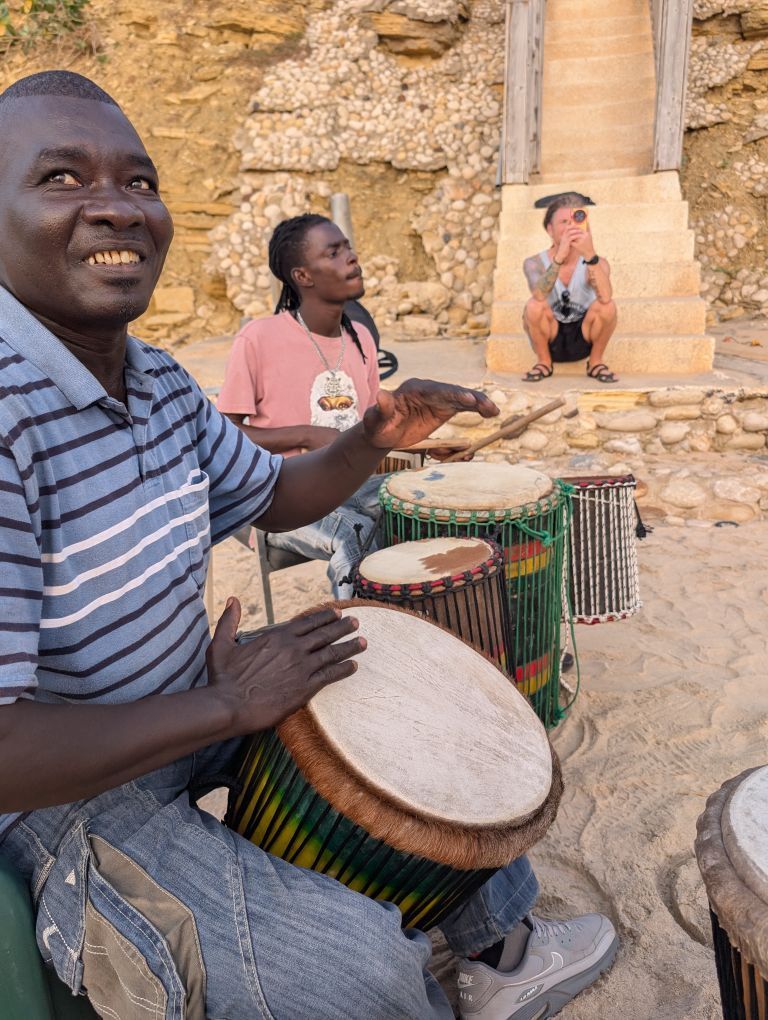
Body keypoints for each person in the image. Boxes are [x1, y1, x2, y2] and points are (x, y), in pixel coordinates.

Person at [0, 70, 617, 1020]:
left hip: (192, 697)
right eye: (63, 179)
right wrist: (224, 704)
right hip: (72, 797)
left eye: (139, 183)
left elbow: (280, 496)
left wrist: (370, 439)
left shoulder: (158, 383)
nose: (116, 210)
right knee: (360, 972)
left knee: (424, 716)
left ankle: (503, 949)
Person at [218, 214, 456, 597]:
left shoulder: (360, 337)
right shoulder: (258, 337)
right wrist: (306, 434)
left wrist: (417, 443)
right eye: (334, 252)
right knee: (354, 530)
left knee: (430, 498)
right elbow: (222, 435)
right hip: (279, 499)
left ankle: (437, 625)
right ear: (303, 276)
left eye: (347, 247)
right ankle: (366, 642)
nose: (352, 257)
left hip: (349, 486)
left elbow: (367, 432)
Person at [522, 192, 618, 384]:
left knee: (607, 307)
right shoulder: (534, 262)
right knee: (533, 306)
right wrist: (559, 257)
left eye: (575, 220)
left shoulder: (598, 263)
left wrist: (590, 255)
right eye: (564, 222)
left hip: (583, 335)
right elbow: (539, 295)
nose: (570, 227)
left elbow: (606, 298)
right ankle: (544, 362)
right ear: (550, 229)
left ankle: (595, 362)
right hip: (552, 335)